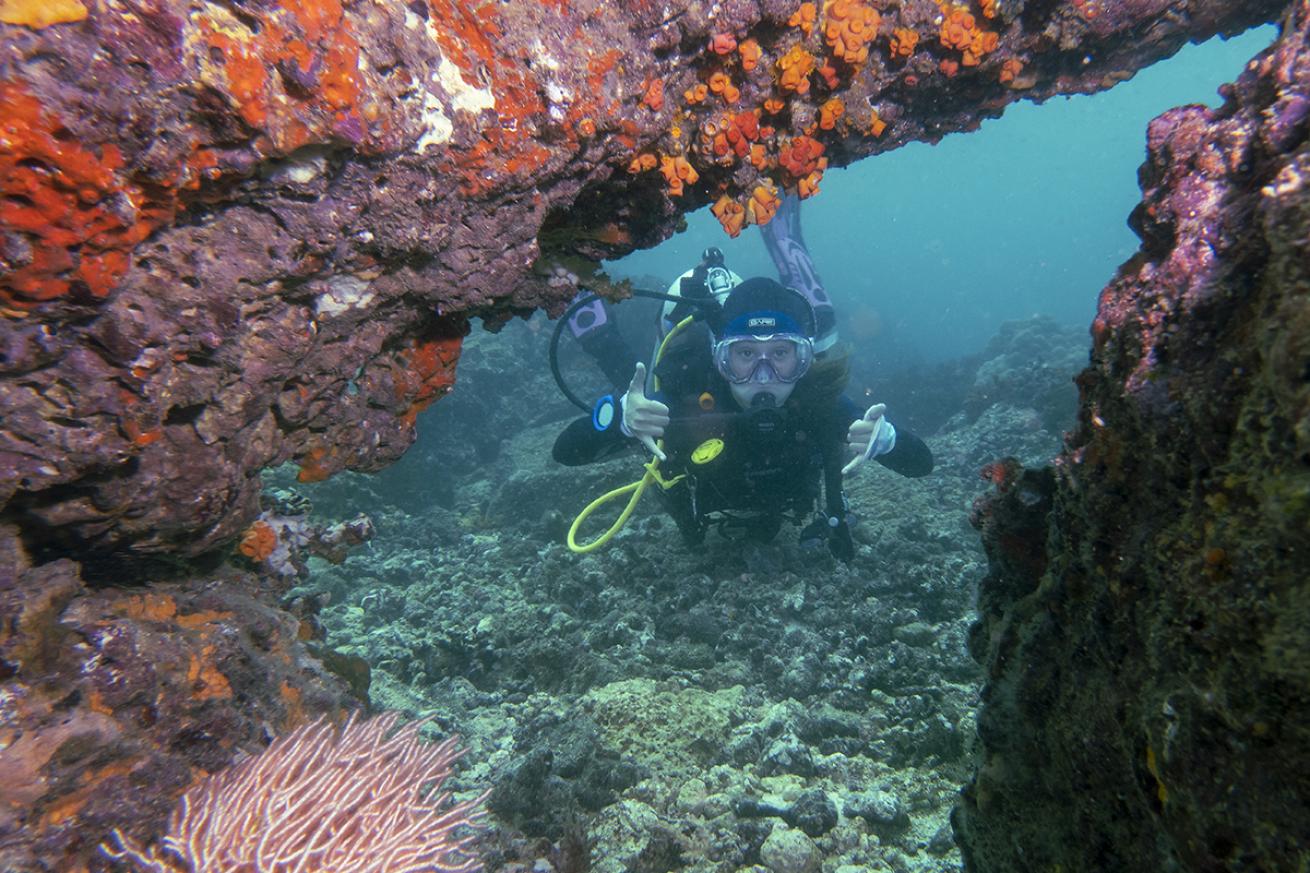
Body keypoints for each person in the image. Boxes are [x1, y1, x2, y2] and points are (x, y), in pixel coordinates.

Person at [552, 276, 933, 560]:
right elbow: (566, 452)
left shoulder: (818, 400)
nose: (763, 376)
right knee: (631, 384)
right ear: (721, 360)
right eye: (745, 356)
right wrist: (619, 420)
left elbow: (921, 463)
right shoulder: (688, 392)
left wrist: (887, 441)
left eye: (781, 354)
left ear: (803, 361)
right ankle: (599, 334)